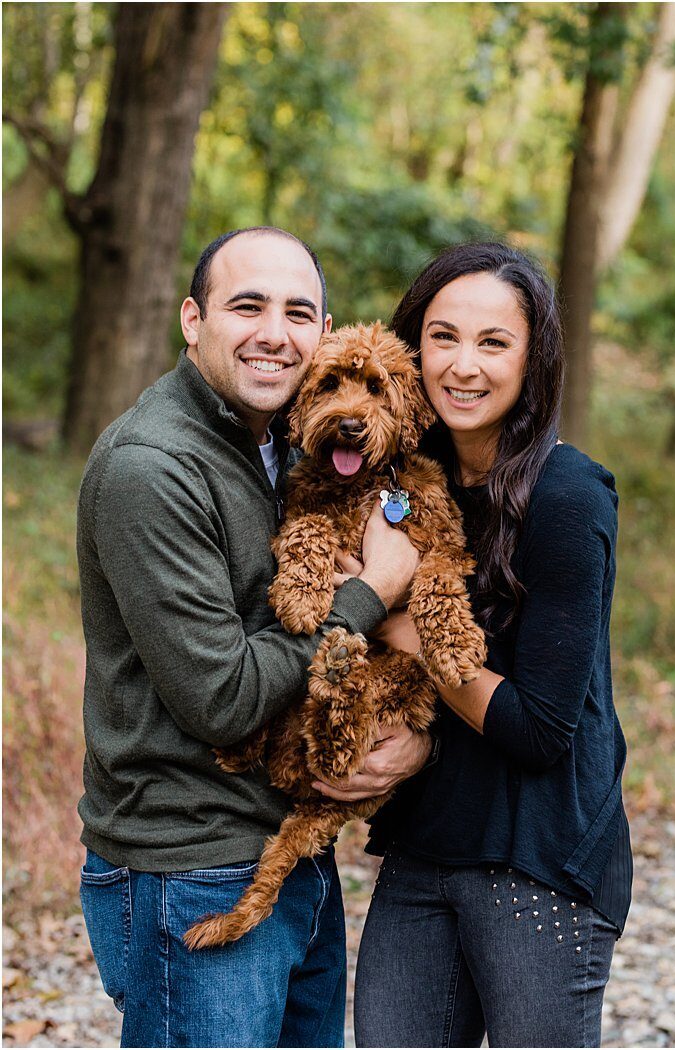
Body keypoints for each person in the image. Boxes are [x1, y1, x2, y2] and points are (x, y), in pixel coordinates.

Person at [76, 225, 429, 1049]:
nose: (275, 332)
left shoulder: (281, 446)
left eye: (298, 312)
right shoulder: (152, 467)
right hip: (190, 864)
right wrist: (367, 592)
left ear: (323, 331)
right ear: (192, 320)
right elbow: (223, 698)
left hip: (290, 850)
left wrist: (409, 745)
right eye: (247, 306)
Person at [316, 242, 632, 1048]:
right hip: (426, 848)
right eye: (442, 336)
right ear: (410, 347)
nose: (462, 365)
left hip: (538, 861)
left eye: (493, 343)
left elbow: (537, 729)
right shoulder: (398, 486)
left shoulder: (565, 498)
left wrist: (396, 626)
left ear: (533, 360)